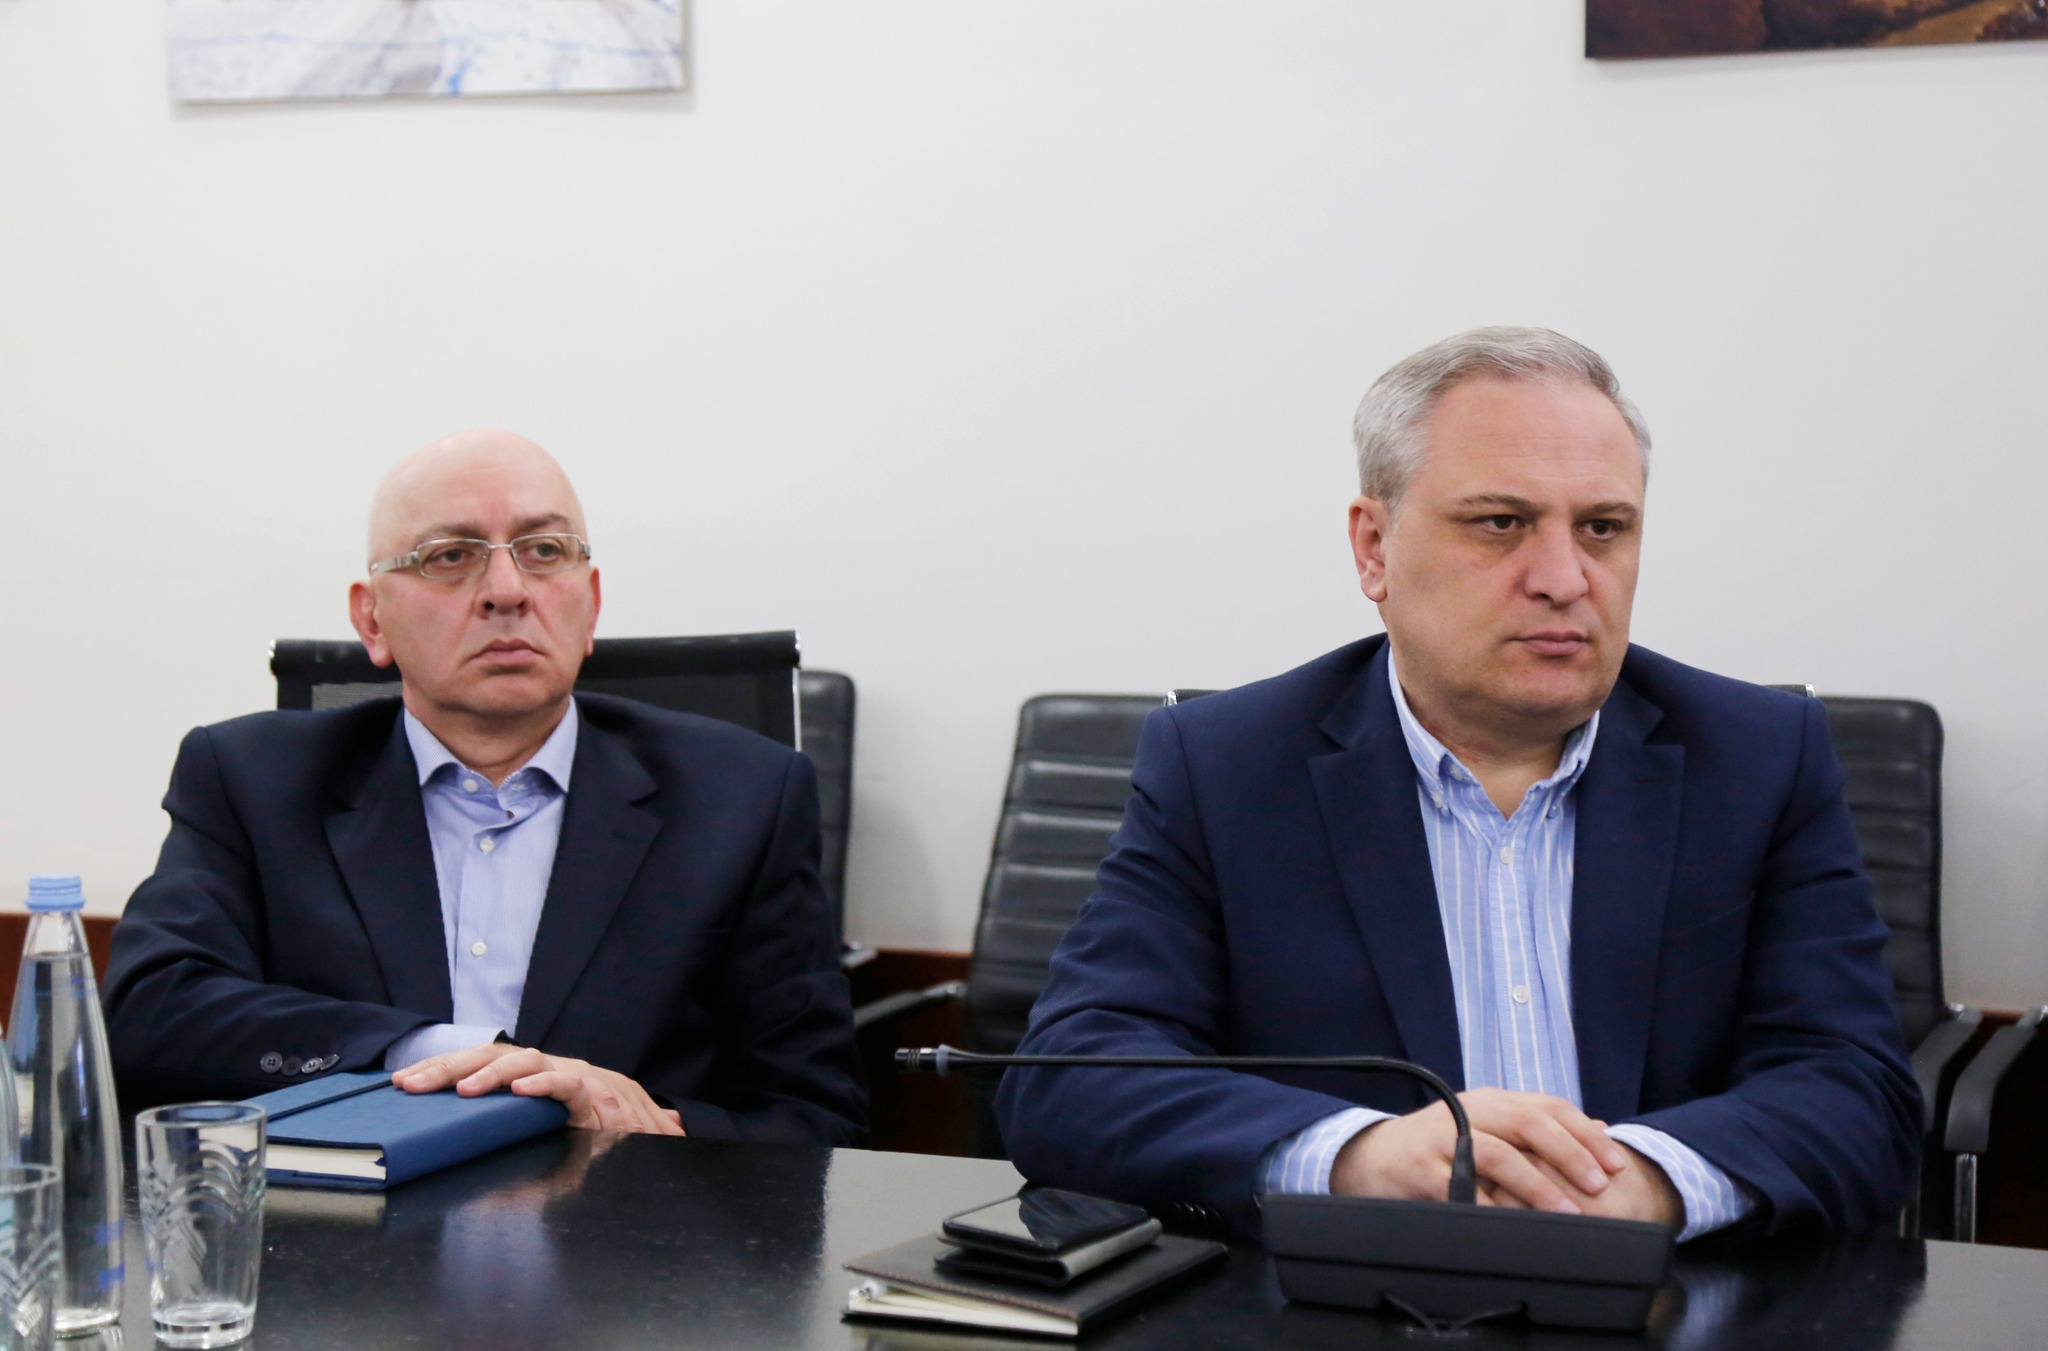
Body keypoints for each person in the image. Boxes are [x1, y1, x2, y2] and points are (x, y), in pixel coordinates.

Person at [995, 328, 1918, 1239]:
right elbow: (1073, 1078)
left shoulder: (1760, 757)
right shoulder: (1226, 765)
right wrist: (1359, 1158)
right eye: (1500, 524)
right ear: (1374, 547)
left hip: (1678, 1297)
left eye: (1602, 528)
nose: (1564, 579)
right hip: (1349, 1299)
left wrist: (1642, 1185)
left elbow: (1858, 1089)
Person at [104, 430, 864, 1144]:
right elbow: (147, 1017)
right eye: (449, 557)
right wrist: (432, 1051)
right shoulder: (253, 779)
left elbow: (815, 1117)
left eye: (544, 550)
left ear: (591, 602)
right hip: (345, 1228)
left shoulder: (743, 798)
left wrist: (640, 1126)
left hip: (624, 1226)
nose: (507, 590)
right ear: (372, 620)